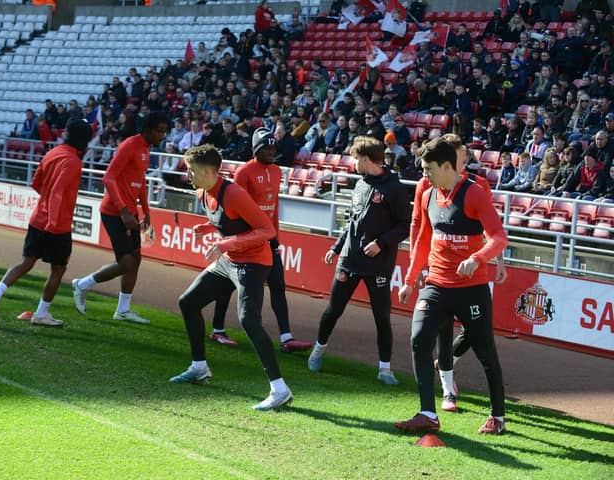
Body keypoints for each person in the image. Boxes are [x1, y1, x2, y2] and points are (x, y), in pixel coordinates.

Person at [397, 137, 508, 435]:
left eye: (429, 169)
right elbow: (422, 239)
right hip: (436, 284)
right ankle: (427, 414)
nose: (425, 174)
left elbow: (499, 236)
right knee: (419, 338)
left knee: (485, 351)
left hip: (471, 288)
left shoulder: (474, 192)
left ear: (447, 166)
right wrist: (410, 279)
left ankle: (497, 417)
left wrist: (479, 257)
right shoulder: (427, 193)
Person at [169, 144, 292, 411]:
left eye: (192, 171)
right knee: (188, 302)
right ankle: (199, 367)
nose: (187, 175)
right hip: (230, 261)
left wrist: (226, 244)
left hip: (254, 262)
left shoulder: (234, 193)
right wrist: (208, 227)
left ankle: (280, 389)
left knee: (249, 320)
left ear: (210, 171)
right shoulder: (203, 192)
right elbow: (226, 220)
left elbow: (267, 230)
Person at [307, 136, 411, 384]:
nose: (353, 163)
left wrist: (382, 243)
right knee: (333, 309)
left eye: (355, 158)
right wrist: (336, 248)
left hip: (378, 265)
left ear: (366, 159)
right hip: (349, 260)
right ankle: (318, 350)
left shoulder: (394, 188)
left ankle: (385, 369)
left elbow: (406, 225)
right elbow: (354, 223)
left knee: (381, 317)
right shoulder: (361, 184)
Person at [208, 128, 313, 352]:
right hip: (246, 242)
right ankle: (218, 330)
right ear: (256, 149)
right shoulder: (244, 172)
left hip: (268, 240)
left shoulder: (276, 171)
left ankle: (286, 338)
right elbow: (235, 211)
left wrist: (275, 237)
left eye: (274, 148)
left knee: (278, 286)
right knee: (226, 285)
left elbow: (274, 207)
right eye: (267, 148)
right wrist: (239, 240)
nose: (271, 152)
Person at [0, 119, 94, 328]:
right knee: (58, 269)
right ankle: (41, 313)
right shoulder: (73, 161)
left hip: (37, 219)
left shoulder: (53, 152)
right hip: (57, 225)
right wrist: (53, 221)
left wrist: (46, 209)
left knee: (25, 263)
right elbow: (57, 193)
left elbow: (36, 183)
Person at [71, 112, 169, 324]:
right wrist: (124, 211)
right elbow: (109, 177)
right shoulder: (130, 145)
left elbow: (140, 181)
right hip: (114, 212)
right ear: (148, 130)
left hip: (130, 213)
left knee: (136, 259)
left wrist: (146, 211)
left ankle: (123, 310)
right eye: (160, 131)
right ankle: (81, 285)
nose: (163, 136)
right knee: (126, 262)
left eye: (164, 131)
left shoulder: (145, 148)